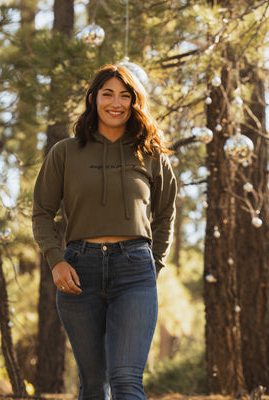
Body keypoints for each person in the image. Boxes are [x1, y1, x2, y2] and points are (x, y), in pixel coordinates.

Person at [32, 64, 177, 400]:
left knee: (127, 380)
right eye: (108, 93)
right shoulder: (65, 152)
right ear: (93, 97)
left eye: (125, 95)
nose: (116, 103)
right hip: (78, 271)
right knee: (95, 386)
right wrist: (56, 260)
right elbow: (42, 212)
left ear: (135, 102)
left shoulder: (152, 153)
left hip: (135, 272)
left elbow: (165, 213)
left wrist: (152, 264)